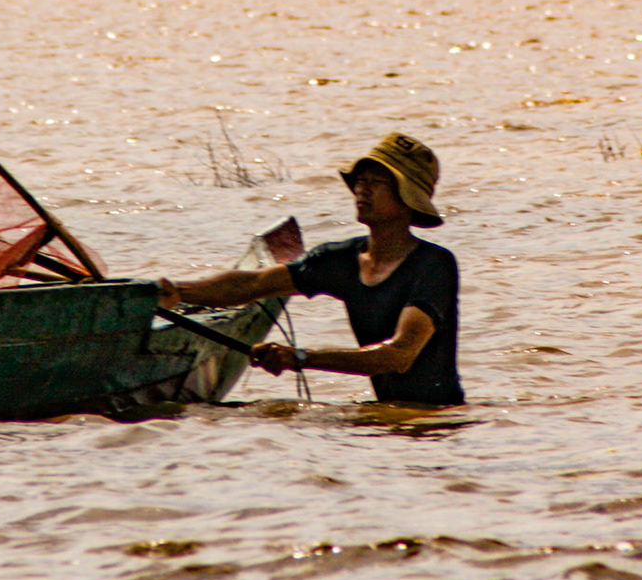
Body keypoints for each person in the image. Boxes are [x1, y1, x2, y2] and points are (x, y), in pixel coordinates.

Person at [159, 132, 463, 406]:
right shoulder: (340, 259)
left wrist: (300, 358)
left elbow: (398, 356)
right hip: (390, 411)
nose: (362, 190)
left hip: (437, 418)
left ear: (407, 199)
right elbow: (251, 286)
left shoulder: (434, 265)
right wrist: (179, 292)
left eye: (376, 183)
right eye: (360, 181)